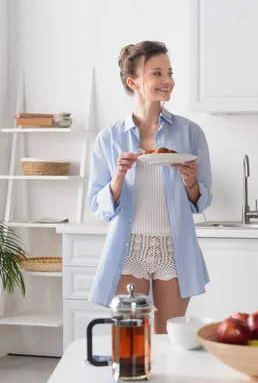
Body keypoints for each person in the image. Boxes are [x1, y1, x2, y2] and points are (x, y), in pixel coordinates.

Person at [88, 41, 212, 333]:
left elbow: (201, 201)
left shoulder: (190, 133)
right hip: (128, 249)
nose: (167, 80)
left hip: (174, 248)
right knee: (132, 337)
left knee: (169, 337)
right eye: (157, 73)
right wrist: (118, 177)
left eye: (169, 72)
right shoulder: (108, 138)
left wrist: (190, 181)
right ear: (134, 82)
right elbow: (98, 206)